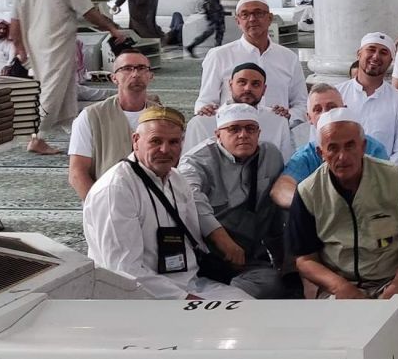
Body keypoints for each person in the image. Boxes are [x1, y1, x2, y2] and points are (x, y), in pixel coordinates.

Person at [287, 110, 398, 343]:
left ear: (363, 146)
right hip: (343, 282)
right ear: (320, 153)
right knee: (340, 337)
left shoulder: (394, 177)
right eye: (333, 148)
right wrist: (339, 286)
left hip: (392, 275)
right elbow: (305, 260)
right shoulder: (307, 192)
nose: (342, 156)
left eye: (350, 146)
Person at [83, 106, 254, 299]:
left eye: (173, 142)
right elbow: (123, 270)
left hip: (189, 283)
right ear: (136, 141)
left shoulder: (177, 179)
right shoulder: (116, 189)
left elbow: (194, 240)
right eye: (156, 141)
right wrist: (185, 299)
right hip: (140, 296)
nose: (165, 150)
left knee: (248, 306)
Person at [10, 0, 130, 154]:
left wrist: (18, 45)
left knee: (66, 90)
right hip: (56, 44)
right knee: (52, 90)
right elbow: (88, 11)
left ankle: (76, 132)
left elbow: (15, 18)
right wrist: (112, 28)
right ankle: (36, 137)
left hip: (35, 45)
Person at [178, 103, 290, 299]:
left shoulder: (270, 155)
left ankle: (224, 297)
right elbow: (191, 199)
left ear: (259, 133)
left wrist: (284, 261)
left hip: (249, 259)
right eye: (234, 129)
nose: (243, 135)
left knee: (272, 283)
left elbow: (275, 214)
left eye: (250, 129)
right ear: (218, 134)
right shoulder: (195, 161)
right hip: (204, 256)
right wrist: (223, 240)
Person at [271, 85, 391, 208]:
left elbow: (388, 184)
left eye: (332, 107)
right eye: (318, 110)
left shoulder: (372, 148)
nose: (325, 114)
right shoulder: (307, 154)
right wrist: (315, 207)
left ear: (344, 109)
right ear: (309, 118)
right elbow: (281, 189)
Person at [194, 0, 305, 125]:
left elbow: (301, 103)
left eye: (258, 13)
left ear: (270, 18)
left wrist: (287, 116)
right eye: (245, 15)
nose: (252, 19)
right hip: (234, 131)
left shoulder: (288, 58)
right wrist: (207, 110)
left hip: (278, 131)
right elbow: (205, 101)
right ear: (238, 21)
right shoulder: (219, 56)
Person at [68, 51, 156, 200]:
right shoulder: (91, 116)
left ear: (150, 76)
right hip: (107, 199)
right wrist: (98, 206)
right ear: (114, 78)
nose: (135, 74)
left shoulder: (161, 116)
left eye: (141, 68)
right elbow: (77, 173)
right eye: (127, 68)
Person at [182, 63, 294, 160]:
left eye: (255, 84)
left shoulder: (277, 120)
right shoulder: (202, 122)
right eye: (242, 82)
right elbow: (187, 166)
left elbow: (285, 164)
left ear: (264, 90)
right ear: (230, 85)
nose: (248, 88)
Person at [336, 33, 398, 163]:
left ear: (391, 61)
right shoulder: (337, 94)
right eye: (371, 49)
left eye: (383, 52)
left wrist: (378, 173)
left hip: (383, 174)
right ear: (359, 54)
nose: (376, 56)